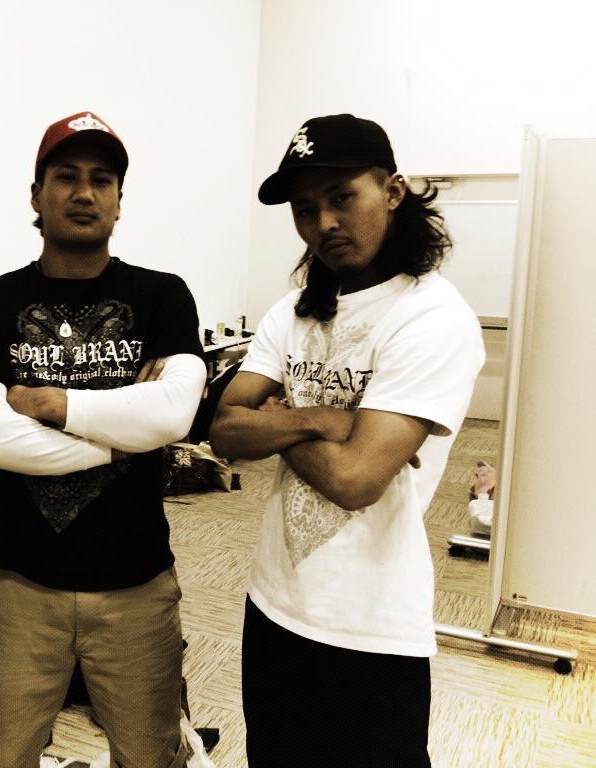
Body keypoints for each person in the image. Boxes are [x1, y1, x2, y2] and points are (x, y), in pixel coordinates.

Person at [210, 114, 485, 767]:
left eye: (342, 197)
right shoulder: (291, 312)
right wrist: (320, 419)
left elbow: (355, 479)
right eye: (305, 209)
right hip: (272, 603)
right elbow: (223, 429)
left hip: (370, 626)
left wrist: (279, 417)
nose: (324, 223)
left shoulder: (431, 316)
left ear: (393, 191)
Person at [0, 111, 207, 768]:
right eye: (66, 176)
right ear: (36, 194)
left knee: (151, 757)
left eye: (102, 179)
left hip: (137, 585)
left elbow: (174, 414)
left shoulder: (162, 296)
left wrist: (52, 405)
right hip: (17, 584)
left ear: (120, 200)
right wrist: (125, 435)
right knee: (1, 757)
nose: (85, 192)